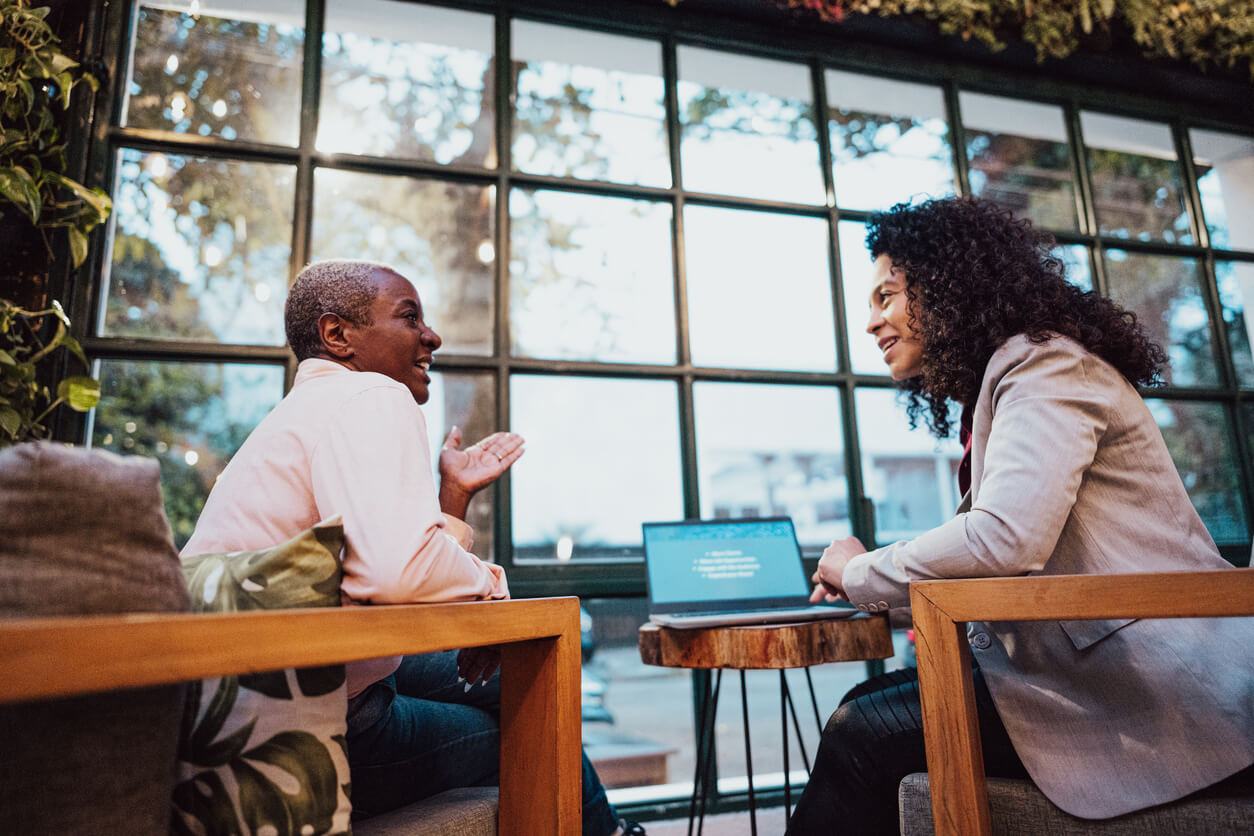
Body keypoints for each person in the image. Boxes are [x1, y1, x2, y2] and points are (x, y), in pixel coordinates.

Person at [786, 197, 1254, 835]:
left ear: (948, 286)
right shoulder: (1010, 382)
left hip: (1161, 693)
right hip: (1102, 675)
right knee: (864, 707)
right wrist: (863, 588)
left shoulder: (1045, 365)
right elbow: (1003, 564)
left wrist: (861, 568)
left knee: (860, 732)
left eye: (886, 296)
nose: (871, 322)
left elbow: (1005, 540)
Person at [182, 259, 644, 836]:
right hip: (313, 717)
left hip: (271, 692)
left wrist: (451, 495)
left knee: (514, 679)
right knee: (537, 725)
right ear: (337, 336)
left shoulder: (305, 413)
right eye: (410, 317)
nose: (433, 336)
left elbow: (393, 568)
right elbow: (396, 574)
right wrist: (491, 591)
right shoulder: (372, 395)